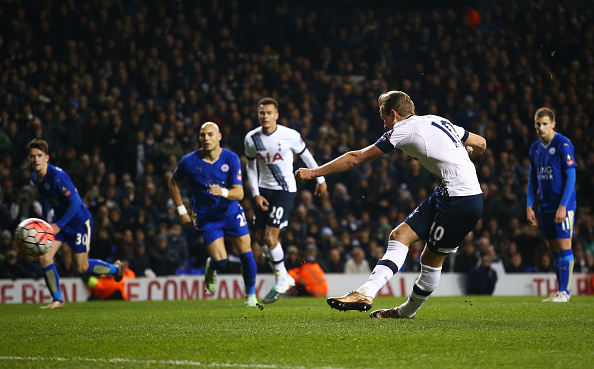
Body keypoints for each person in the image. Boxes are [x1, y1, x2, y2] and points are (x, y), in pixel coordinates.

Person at [295, 91, 486, 318]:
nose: (383, 122)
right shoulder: (436, 120)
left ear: (393, 114)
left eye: (383, 115)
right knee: (398, 236)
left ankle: (405, 312)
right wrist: (468, 153)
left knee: (431, 260)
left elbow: (357, 158)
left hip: (461, 201)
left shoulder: (403, 129)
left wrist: (314, 172)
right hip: (446, 194)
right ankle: (366, 292)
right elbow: (481, 142)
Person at [244, 97, 327, 304]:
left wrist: (321, 178)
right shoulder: (251, 139)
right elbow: (251, 168)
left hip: (284, 189)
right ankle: (283, 276)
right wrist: (255, 194)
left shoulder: (289, 135)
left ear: (276, 115)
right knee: (261, 239)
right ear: (258, 115)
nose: (265, 116)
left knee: (271, 238)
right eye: (262, 113)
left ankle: (282, 278)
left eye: (269, 113)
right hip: (263, 191)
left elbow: (306, 156)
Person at [26, 139, 124, 309]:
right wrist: (45, 222)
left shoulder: (57, 176)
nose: (36, 159)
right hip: (59, 222)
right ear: (28, 159)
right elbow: (46, 198)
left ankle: (116, 269)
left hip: (78, 221)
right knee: (44, 257)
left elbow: (76, 203)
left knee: (81, 267)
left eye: (39, 156)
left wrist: (58, 225)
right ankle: (58, 299)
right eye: (32, 156)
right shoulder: (35, 178)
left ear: (47, 158)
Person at [169, 122, 258, 307]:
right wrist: (181, 211)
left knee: (246, 254)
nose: (206, 138)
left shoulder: (231, 158)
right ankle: (213, 266)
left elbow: (239, 193)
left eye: (210, 134)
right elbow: (173, 182)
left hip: (231, 213)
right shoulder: (188, 161)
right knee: (222, 262)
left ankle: (250, 296)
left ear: (219, 136)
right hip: (207, 218)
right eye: (202, 135)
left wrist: (223, 192)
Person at [527, 107, 577, 303]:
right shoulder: (535, 148)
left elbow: (571, 177)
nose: (541, 128)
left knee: (564, 244)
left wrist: (563, 206)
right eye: (538, 124)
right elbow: (532, 179)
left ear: (553, 124)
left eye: (545, 124)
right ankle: (560, 291)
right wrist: (530, 205)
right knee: (554, 247)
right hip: (545, 206)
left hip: (563, 205)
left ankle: (566, 292)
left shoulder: (563, 144)